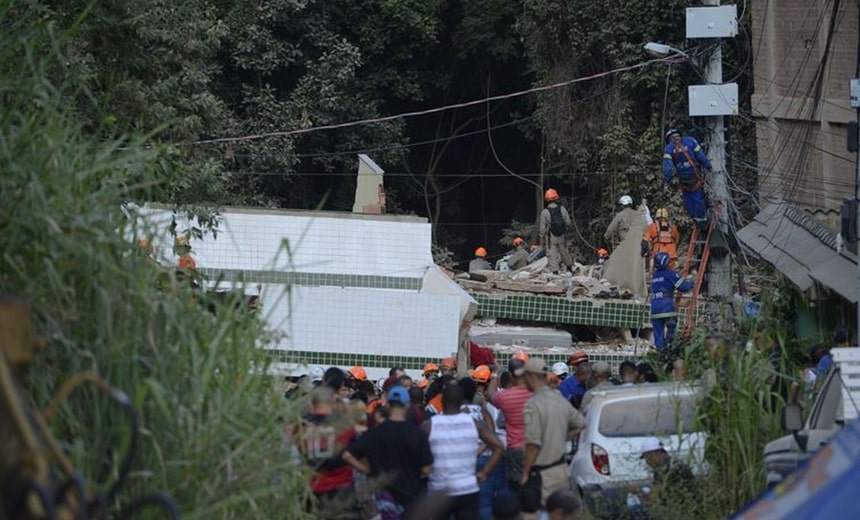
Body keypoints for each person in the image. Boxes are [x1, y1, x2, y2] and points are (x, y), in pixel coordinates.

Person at [343, 386, 433, 519]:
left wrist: (367, 470)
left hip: (384, 499)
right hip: (412, 499)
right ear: (408, 405)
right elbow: (426, 470)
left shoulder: (375, 433)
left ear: (388, 405)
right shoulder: (418, 434)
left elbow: (347, 455)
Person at [424, 381, 503, 520]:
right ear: (461, 400)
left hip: (440, 490)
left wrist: (426, 471)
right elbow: (498, 446)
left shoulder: (430, 425)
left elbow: (416, 451)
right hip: (467, 489)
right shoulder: (474, 424)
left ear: (442, 400)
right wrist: (484, 473)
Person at [520, 358, 586, 511]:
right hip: (562, 471)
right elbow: (581, 423)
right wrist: (563, 436)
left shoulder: (533, 404)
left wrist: (524, 473)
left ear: (531, 376)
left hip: (543, 475)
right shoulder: (559, 398)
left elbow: (533, 444)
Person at [297, 387, 361, 519]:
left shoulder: (302, 425)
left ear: (312, 403)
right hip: (341, 488)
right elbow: (355, 453)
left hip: (311, 490)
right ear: (333, 402)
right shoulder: (346, 426)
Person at [488, 358, 533, 491]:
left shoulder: (505, 397)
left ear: (511, 376)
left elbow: (490, 394)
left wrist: (495, 373)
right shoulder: (536, 394)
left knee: (514, 488)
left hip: (514, 449)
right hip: (534, 448)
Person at [628, 437, 697, 517]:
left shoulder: (665, 469)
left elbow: (652, 500)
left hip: (680, 510)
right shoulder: (672, 463)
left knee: (636, 510)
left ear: (654, 454)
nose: (647, 462)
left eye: (647, 458)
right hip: (687, 507)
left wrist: (637, 491)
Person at [662, 129, 713, 230]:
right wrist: (709, 166)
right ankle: (702, 223)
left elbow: (668, 167)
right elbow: (701, 156)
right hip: (695, 177)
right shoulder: (690, 141)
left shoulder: (669, 148)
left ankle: (699, 222)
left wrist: (666, 181)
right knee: (697, 199)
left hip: (684, 181)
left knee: (689, 202)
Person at [650, 252, 693, 351]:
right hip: (666, 307)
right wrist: (691, 282)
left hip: (655, 308)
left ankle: (660, 353)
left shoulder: (655, 275)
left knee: (658, 333)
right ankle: (670, 347)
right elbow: (682, 287)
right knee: (671, 326)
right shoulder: (670, 273)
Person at [539, 189, 573, 273]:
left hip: (551, 237)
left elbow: (542, 229)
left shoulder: (545, 212)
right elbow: (568, 222)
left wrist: (542, 239)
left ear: (547, 200)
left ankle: (555, 272)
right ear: (556, 198)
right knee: (564, 252)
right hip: (562, 236)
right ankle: (569, 269)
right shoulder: (562, 209)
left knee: (552, 254)